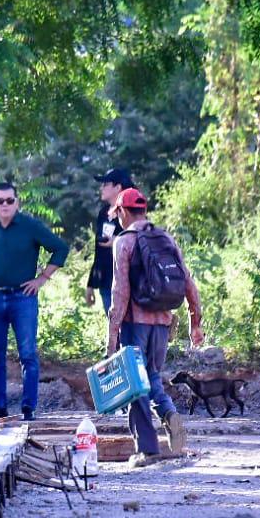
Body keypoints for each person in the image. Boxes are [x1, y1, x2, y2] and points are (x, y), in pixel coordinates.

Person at [107, 188, 203, 466]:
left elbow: (120, 292)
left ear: (123, 212)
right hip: (163, 323)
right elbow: (188, 283)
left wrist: (111, 338)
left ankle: (147, 450)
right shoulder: (166, 238)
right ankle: (169, 412)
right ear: (144, 210)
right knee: (152, 375)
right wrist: (194, 323)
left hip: (135, 323)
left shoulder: (124, 242)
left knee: (135, 384)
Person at [0, 181, 70, 420]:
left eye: (9, 200)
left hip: (23, 298)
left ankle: (28, 408)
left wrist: (42, 278)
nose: (5, 205)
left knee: (28, 354)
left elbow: (60, 248)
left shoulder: (30, 226)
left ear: (17, 202)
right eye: (0, 201)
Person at [85, 167, 133, 316]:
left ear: (118, 187)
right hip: (106, 282)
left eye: (105, 184)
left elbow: (141, 239)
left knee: (129, 332)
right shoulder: (103, 212)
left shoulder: (132, 210)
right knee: (114, 330)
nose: (101, 188)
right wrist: (91, 284)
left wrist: (118, 241)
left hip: (128, 282)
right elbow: (99, 251)